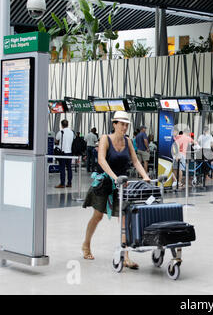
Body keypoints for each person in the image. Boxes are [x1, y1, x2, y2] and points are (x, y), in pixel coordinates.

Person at [82, 111, 150, 269]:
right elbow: (101, 159)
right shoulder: (105, 138)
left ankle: (125, 255)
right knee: (97, 216)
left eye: (126, 124)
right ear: (114, 124)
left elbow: (135, 161)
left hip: (122, 185)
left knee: (125, 218)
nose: (124, 127)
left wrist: (145, 176)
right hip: (105, 183)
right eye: (121, 124)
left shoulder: (128, 141)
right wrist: (113, 177)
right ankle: (86, 245)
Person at [54, 119, 75, 188]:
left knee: (62, 168)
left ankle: (62, 183)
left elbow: (56, 140)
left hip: (62, 153)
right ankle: (69, 183)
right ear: (68, 124)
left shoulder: (61, 132)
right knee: (69, 168)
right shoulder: (72, 132)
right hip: (69, 152)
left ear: (62, 125)